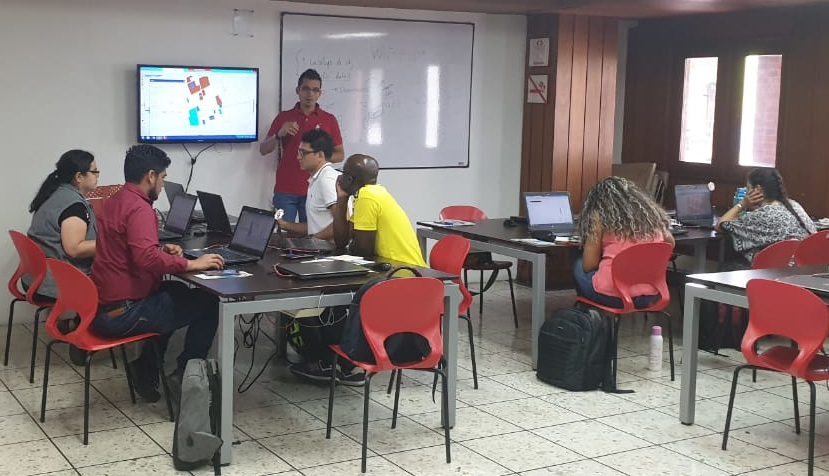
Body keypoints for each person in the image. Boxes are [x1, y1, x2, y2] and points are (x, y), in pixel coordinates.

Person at [91, 145, 225, 402]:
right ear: (150, 176)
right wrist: (191, 264)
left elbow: (130, 250)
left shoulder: (116, 200)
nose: (163, 185)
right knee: (209, 302)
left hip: (103, 306)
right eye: (162, 178)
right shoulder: (140, 208)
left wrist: (160, 250)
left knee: (176, 292)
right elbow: (146, 259)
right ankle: (185, 376)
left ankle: (146, 368)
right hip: (123, 313)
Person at [573, 176, 675, 308]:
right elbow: (670, 244)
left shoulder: (599, 217)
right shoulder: (651, 215)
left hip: (614, 296)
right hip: (650, 295)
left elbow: (589, 265)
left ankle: (586, 313)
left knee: (577, 258)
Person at [260, 68, 344, 224]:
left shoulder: (329, 120)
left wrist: (317, 156)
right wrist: (279, 134)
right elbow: (263, 149)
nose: (310, 94)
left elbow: (340, 155)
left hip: (316, 188)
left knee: (314, 233)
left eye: (315, 90)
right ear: (298, 91)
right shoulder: (284, 117)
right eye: (306, 89)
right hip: (285, 188)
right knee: (283, 231)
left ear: (319, 93)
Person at [27, 149, 99, 299]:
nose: (98, 176)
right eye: (94, 172)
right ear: (79, 176)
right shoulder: (73, 206)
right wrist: (110, 244)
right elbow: (74, 249)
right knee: (119, 281)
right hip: (55, 282)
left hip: (35, 276)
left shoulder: (56, 193)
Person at [332, 154, 426, 266]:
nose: (339, 177)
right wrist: (342, 199)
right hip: (396, 266)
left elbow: (363, 250)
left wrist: (354, 244)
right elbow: (341, 241)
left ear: (349, 179)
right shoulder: (374, 192)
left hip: (404, 270)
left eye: (342, 172)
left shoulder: (366, 197)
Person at [716, 167, 816, 266]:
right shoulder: (794, 205)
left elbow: (720, 225)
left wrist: (742, 204)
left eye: (748, 188)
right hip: (807, 266)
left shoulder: (763, 214)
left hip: (779, 270)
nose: (746, 192)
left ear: (757, 190)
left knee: (729, 262)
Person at [276, 129, 341, 240]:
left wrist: (311, 241)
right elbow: (315, 227)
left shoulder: (327, 180)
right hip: (321, 246)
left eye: (303, 153)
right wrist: (284, 224)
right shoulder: (317, 179)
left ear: (320, 155)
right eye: (298, 152)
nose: (298, 157)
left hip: (330, 248)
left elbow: (343, 223)